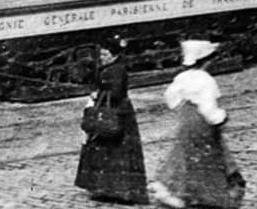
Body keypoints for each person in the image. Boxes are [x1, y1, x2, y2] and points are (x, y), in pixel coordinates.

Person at [149, 40, 244, 209]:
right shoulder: (206, 80)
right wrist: (220, 118)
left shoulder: (182, 77)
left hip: (187, 119)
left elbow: (170, 97)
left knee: (187, 155)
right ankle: (206, 195)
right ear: (206, 61)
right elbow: (208, 107)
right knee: (208, 158)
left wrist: (184, 107)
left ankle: (182, 190)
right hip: (201, 121)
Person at [75, 36, 148, 204]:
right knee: (109, 150)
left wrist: (97, 94)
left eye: (105, 54)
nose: (102, 57)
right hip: (114, 111)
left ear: (114, 54)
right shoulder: (112, 67)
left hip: (116, 113)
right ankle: (108, 188)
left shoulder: (116, 69)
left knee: (113, 149)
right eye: (101, 54)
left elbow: (115, 93)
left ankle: (115, 189)